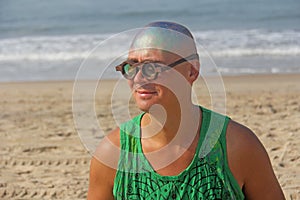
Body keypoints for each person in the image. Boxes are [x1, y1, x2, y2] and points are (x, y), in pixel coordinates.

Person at [87, 21, 285, 199]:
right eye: (131, 66)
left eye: (151, 66)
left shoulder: (237, 145)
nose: (138, 78)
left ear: (191, 71)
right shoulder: (113, 154)